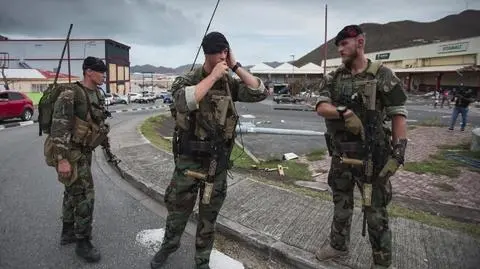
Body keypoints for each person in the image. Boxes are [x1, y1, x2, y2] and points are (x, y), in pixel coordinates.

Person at [150, 31, 269, 269]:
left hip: (217, 161)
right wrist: (213, 76)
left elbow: (260, 92)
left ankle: (202, 260)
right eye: (220, 53)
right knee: (178, 209)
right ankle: (168, 246)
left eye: (226, 52)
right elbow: (183, 102)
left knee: (209, 214)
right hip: (190, 160)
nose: (224, 57)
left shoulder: (229, 83)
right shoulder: (187, 79)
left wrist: (235, 66)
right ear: (208, 54)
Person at [314, 25, 408, 269]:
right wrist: (345, 112)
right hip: (342, 155)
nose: (341, 50)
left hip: (372, 157)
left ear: (360, 42)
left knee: (375, 210)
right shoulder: (334, 77)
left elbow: (399, 113)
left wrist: (398, 153)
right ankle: (338, 247)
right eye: (339, 46)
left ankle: (381, 260)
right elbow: (321, 107)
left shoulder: (383, 75)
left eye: (345, 44)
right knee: (341, 203)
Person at [49, 56, 111, 262]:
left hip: (85, 152)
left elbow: (97, 122)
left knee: (71, 192)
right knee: (85, 195)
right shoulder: (71, 94)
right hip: (72, 154)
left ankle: (67, 232)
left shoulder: (97, 94)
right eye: (100, 71)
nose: (103, 75)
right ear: (88, 72)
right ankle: (83, 243)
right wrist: (62, 160)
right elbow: (58, 127)